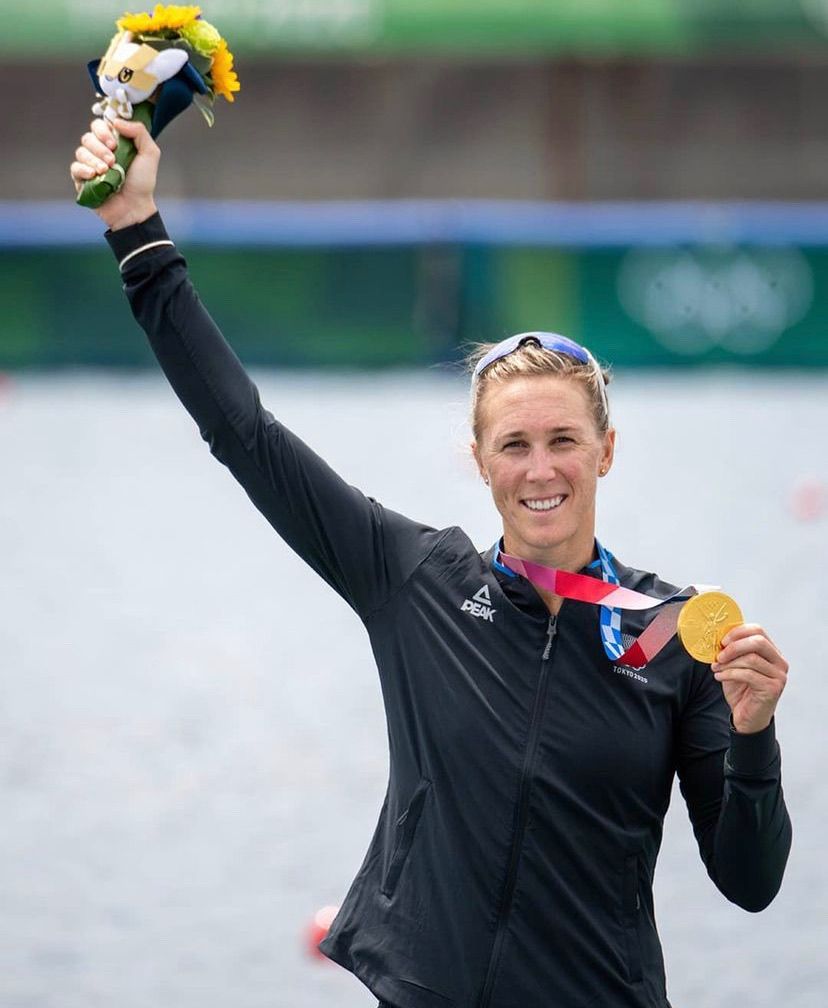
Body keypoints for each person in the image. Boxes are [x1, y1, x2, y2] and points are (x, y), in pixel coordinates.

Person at [71, 118, 792, 1008]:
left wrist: (754, 736)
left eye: (564, 440)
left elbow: (750, 883)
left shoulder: (673, 632)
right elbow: (242, 431)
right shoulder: (414, 581)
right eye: (514, 444)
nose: (540, 470)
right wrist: (136, 231)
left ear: (605, 451)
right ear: (480, 460)